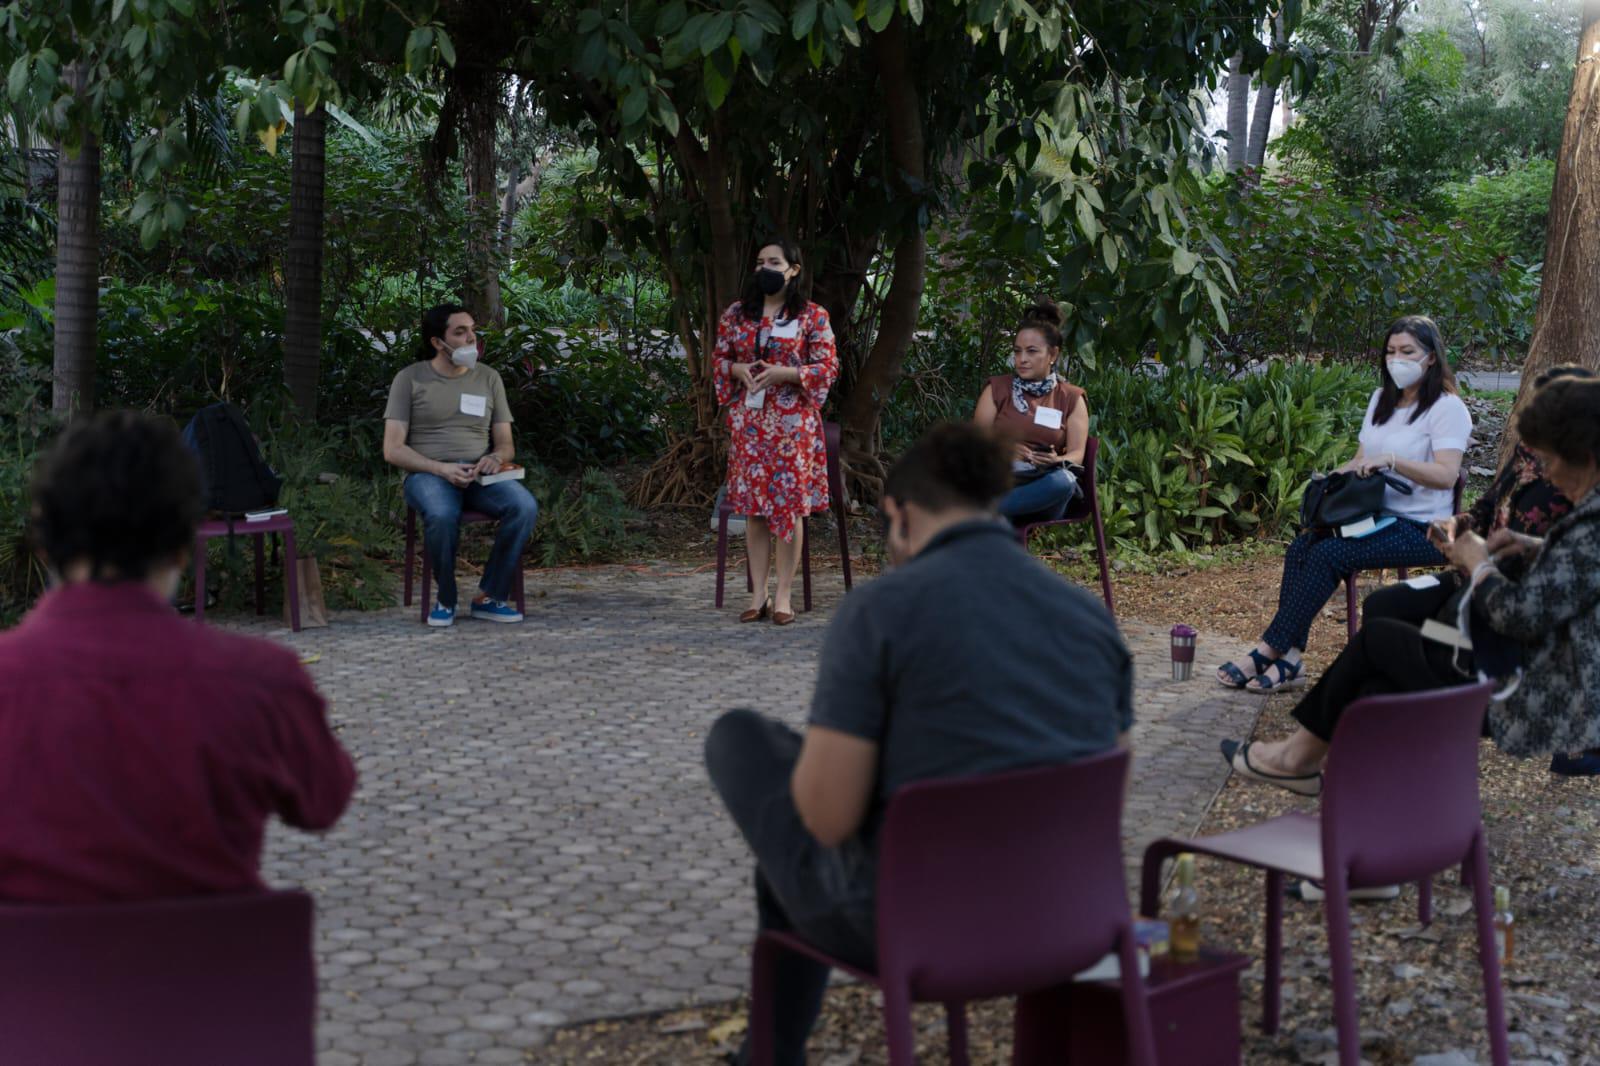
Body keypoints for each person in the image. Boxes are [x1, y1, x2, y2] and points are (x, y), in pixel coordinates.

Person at [704, 422, 1133, 1065]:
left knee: (741, 738)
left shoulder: (883, 611)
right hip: (1070, 918)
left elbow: (827, 820)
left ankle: (769, 1056)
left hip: (916, 926)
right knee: (784, 866)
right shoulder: (1091, 619)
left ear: (899, 516)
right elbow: (1107, 789)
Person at [0, 411, 356, 903]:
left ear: (44, 544)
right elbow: (323, 801)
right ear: (184, 545)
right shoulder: (263, 678)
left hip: (31, 976)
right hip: (212, 971)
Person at [1221, 376, 1600, 796]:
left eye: (1549, 460)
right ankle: (1357, 774)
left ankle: (1298, 759)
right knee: (1390, 643)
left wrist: (1479, 566)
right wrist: (1532, 546)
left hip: (1517, 679)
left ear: (1584, 456)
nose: (1541, 471)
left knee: (1382, 640)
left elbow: (1519, 614)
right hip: (1497, 649)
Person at [1358, 364, 1600, 777]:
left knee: (1430, 635)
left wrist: (1494, 562)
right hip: (1478, 568)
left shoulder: (1580, 477)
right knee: (1385, 605)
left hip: (1508, 586)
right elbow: (1488, 506)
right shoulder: (1528, 453)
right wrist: (1459, 525)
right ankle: (1422, 707)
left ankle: (1444, 707)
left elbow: (1566, 575)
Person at [1218, 315, 1472, 693]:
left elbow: (1447, 475)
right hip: (1375, 518)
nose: (1396, 359)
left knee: (1329, 554)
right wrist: (1333, 477)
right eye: (1390, 351)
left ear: (1431, 357)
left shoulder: (1447, 408)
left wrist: (1392, 460)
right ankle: (1289, 661)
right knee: (1302, 547)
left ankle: (1269, 649)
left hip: (1423, 528)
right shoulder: (1380, 401)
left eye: (1407, 352)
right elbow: (1360, 458)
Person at [383, 303, 539, 627]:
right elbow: (393, 449)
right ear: (438, 342)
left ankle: (489, 596)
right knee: (441, 514)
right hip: (429, 475)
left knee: (523, 506)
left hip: (479, 475)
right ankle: (446, 599)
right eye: (460, 332)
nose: (472, 338)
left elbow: (506, 443)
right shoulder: (409, 379)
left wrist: (495, 458)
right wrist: (440, 469)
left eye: (472, 330)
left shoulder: (489, 378)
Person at [712, 237, 839, 626]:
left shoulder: (813, 316)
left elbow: (828, 367)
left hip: (793, 427)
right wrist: (738, 370)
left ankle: (784, 595)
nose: (765, 267)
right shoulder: (737, 314)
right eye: (760, 261)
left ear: (793, 270)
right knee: (753, 510)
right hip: (750, 424)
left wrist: (786, 373)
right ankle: (758, 593)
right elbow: (720, 359)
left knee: (789, 509)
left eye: (774, 261)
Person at [971, 300, 1089, 524]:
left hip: (1044, 490)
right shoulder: (996, 388)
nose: (1022, 359)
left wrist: (1055, 460)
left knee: (1064, 481)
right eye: (1017, 351)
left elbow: (1076, 455)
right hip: (1003, 477)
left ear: (1053, 354)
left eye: (1032, 351)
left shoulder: (1071, 397)